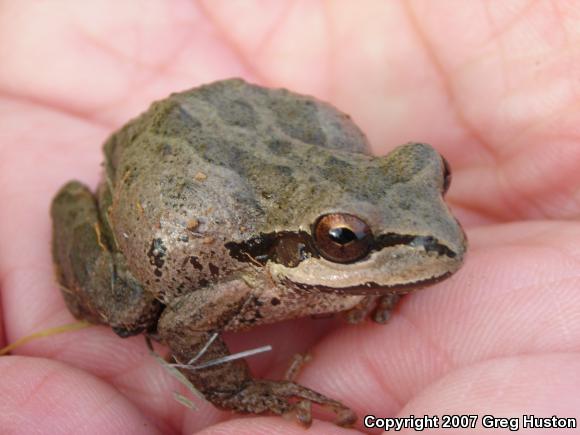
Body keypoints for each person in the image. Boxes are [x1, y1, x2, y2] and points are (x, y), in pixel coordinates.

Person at [1, 2, 579, 434]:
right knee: (130, 308)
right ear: (308, 244)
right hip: (165, 184)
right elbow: (181, 325)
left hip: (228, 133)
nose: (444, 235)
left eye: (432, 179)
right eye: (347, 239)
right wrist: (238, 391)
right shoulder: (248, 273)